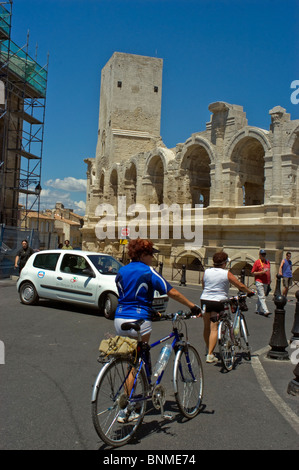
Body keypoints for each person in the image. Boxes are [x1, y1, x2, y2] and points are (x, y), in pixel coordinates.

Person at [114, 238, 201, 423]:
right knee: (137, 364)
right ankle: (127, 407)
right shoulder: (148, 270)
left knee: (134, 358)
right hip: (139, 320)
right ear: (143, 255)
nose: (152, 258)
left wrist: (151, 310)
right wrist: (193, 306)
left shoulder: (121, 270)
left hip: (119, 318)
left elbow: (127, 295)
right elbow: (172, 292)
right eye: (151, 254)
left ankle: (139, 391)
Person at [200, 251, 254, 363]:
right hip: (218, 301)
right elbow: (240, 285)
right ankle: (210, 354)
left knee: (206, 327)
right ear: (224, 263)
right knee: (214, 327)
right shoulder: (226, 273)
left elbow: (203, 285)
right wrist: (249, 291)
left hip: (205, 299)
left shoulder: (207, 272)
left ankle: (208, 347)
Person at [251, 249, 271, 317]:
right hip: (259, 281)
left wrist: (269, 280)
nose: (263, 256)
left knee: (262, 295)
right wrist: (260, 273)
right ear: (259, 255)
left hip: (266, 281)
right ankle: (266, 310)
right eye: (262, 254)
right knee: (262, 296)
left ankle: (257, 309)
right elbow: (253, 273)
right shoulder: (257, 262)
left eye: (264, 254)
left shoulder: (267, 262)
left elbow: (269, 271)